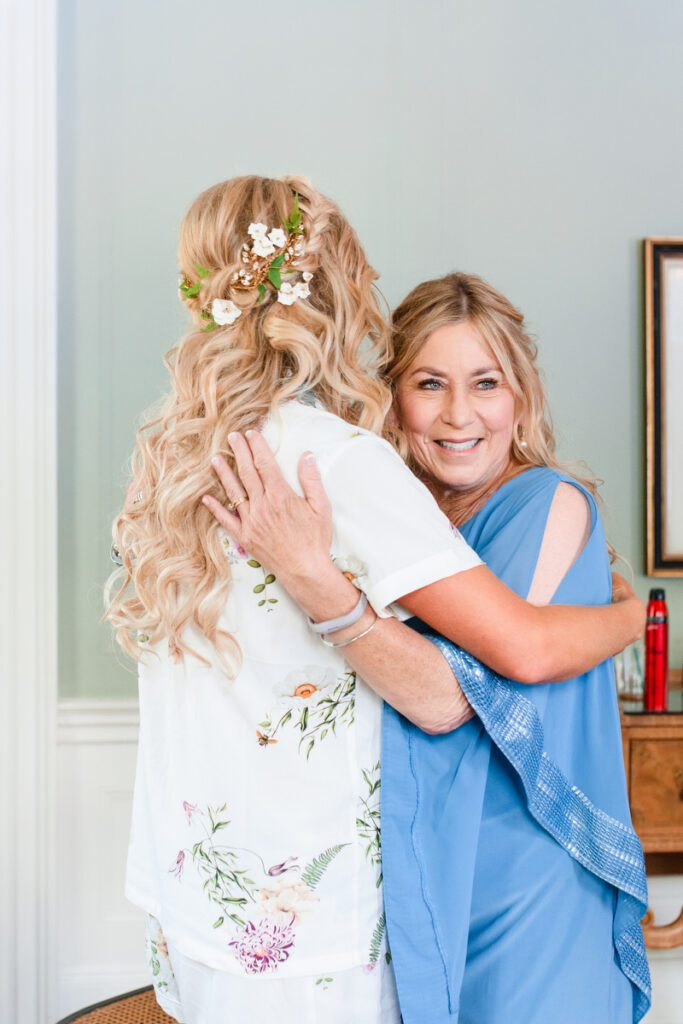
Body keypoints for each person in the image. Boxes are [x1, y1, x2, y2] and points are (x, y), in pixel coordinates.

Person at [107, 177, 644, 1024]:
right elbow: (448, 697)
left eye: (485, 384)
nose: (456, 412)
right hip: (308, 907)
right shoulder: (339, 462)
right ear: (334, 294)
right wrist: (626, 618)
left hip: (203, 892)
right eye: (426, 382)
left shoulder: (172, 458)